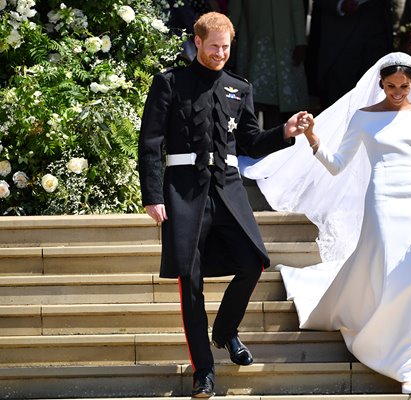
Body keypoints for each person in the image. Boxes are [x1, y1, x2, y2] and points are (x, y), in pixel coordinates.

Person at [240, 52, 411, 394]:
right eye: (390, 86)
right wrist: (312, 140)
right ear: (381, 84)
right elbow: (338, 164)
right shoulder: (364, 118)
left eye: (403, 86)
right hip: (381, 198)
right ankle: (396, 352)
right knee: (387, 260)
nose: (397, 92)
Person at [138, 12, 308, 398]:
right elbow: (150, 143)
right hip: (183, 192)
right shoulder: (170, 83)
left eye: (226, 47)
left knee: (254, 263)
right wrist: (153, 196)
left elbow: (249, 140)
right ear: (197, 42)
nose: (220, 53)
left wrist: (283, 132)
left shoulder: (238, 87)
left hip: (228, 190)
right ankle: (204, 370)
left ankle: (226, 331)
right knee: (190, 281)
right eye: (213, 46)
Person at [229, 0, 310, 128]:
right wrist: (228, 35)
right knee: (250, 101)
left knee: (276, 106)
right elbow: (236, 5)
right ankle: (249, 143)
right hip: (254, 40)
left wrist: (301, 41)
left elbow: (297, 7)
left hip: (284, 41)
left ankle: (274, 144)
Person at [307, 0, 394, 110]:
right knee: (340, 100)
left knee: (375, 95)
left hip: (377, 33)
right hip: (341, 38)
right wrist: (340, 4)